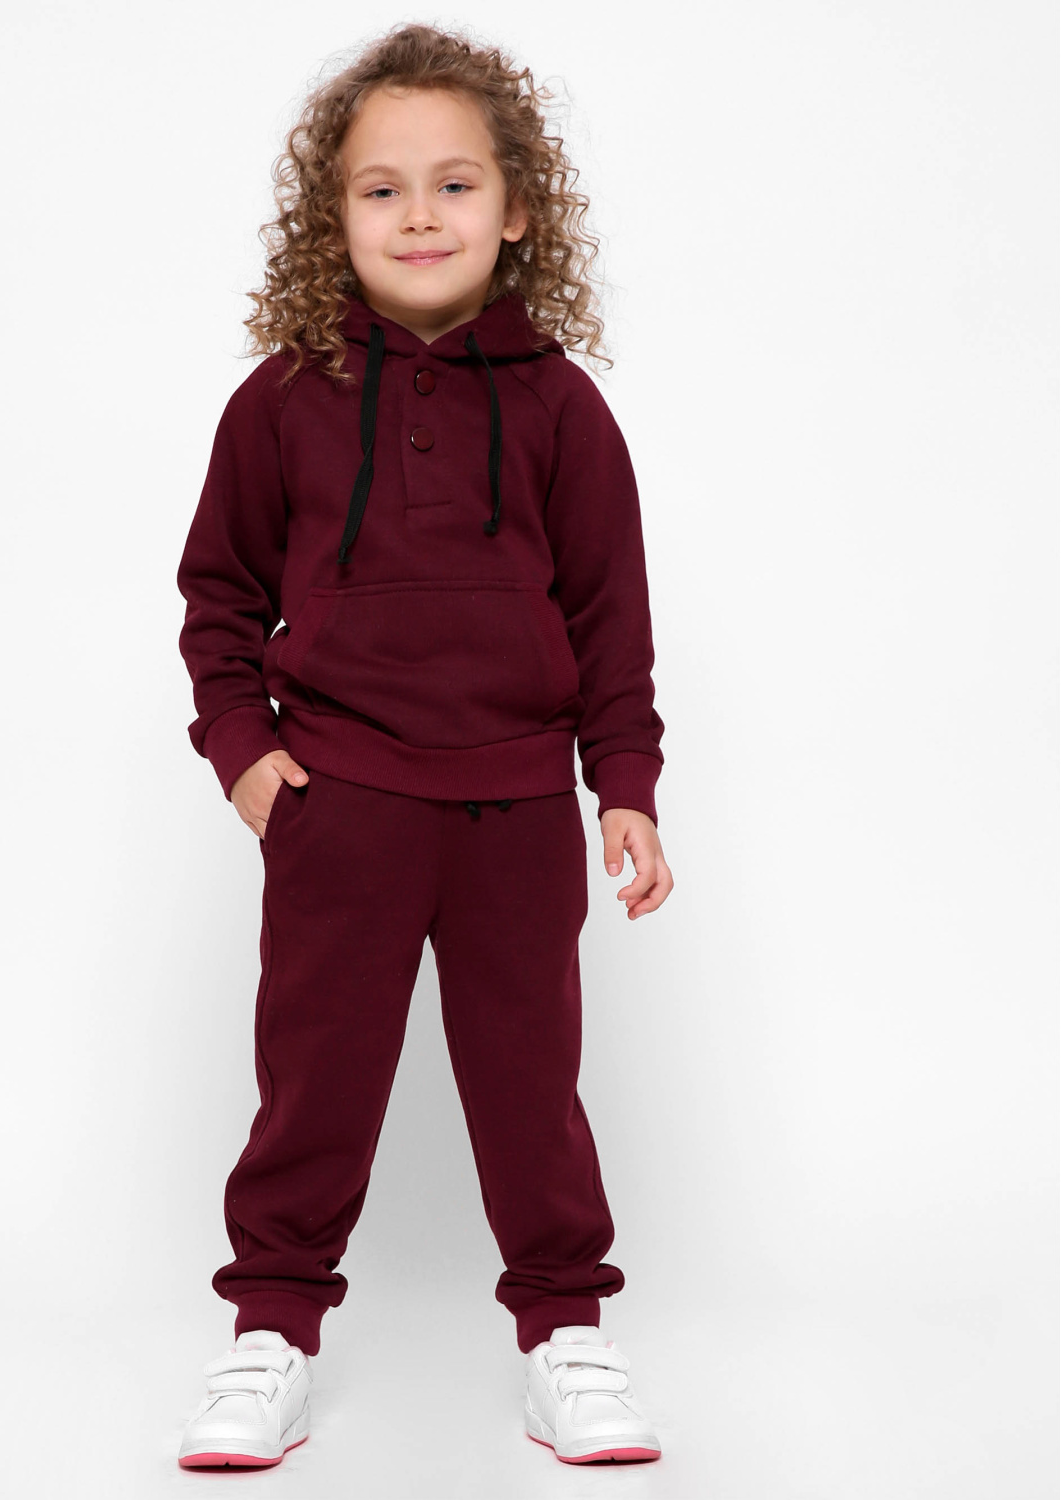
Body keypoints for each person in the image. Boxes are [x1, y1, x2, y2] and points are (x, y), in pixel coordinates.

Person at [173, 21, 673, 1471]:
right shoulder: (282, 400)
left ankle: (566, 1334)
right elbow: (218, 598)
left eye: (455, 185)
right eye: (381, 189)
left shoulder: (566, 406)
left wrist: (624, 787)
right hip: (342, 804)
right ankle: (270, 1333)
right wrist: (246, 757)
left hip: (518, 807)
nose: (419, 216)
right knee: (313, 1078)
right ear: (333, 216)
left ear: (516, 209)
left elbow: (611, 618)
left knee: (531, 1081)